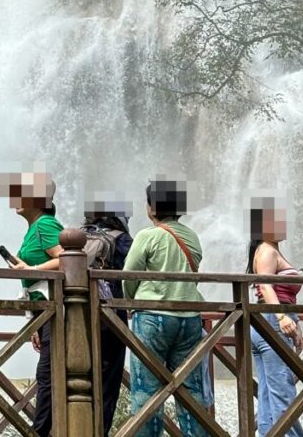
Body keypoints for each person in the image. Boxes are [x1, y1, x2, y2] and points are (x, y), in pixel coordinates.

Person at [122, 177, 210, 437]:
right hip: (191, 319)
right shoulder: (193, 237)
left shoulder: (147, 236)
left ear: (152, 207)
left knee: (146, 392)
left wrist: (131, 302)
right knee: (191, 393)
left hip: (152, 317)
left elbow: (129, 275)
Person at [1, 171, 63, 437]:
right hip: (44, 313)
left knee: (48, 378)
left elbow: (68, 257)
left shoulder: (45, 225)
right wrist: (34, 324)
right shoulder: (34, 228)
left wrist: (32, 267)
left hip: (55, 314)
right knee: (46, 377)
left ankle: (41, 432)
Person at [247, 197, 303, 437]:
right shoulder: (267, 251)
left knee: (268, 393)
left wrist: (295, 323)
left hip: (266, 322)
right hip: (272, 321)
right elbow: (266, 286)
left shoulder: (269, 250)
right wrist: (283, 318)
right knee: (282, 390)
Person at [81, 200, 133, 437]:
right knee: (107, 383)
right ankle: (99, 432)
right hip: (110, 319)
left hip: (76, 319)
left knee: (78, 378)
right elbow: (133, 273)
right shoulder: (121, 239)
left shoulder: (79, 236)